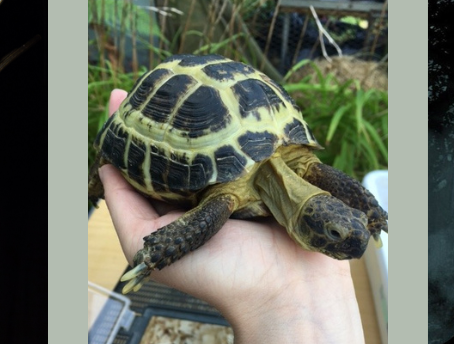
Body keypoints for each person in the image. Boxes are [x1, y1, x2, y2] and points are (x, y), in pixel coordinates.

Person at [98, 89, 366, 344]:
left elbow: (343, 185)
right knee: (106, 175)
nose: (355, 245)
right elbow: (201, 222)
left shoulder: (301, 163)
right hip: (206, 124)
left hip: (262, 127)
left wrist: (370, 211)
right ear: (312, 226)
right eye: (333, 234)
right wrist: (157, 253)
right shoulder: (231, 192)